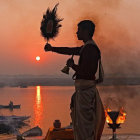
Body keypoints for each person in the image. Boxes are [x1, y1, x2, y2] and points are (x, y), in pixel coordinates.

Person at [44, 20, 105, 140]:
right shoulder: (86, 47)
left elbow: (88, 72)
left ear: (86, 31)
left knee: (85, 129)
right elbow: (70, 50)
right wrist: (52, 49)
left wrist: (73, 66)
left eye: (79, 30)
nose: (77, 33)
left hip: (86, 94)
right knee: (81, 127)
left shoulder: (91, 49)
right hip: (83, 93)